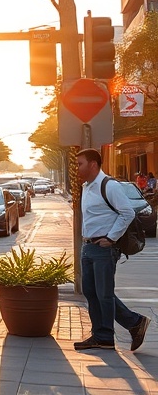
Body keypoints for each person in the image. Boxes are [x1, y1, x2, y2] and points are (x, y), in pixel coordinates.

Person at [74, 148, 150, 351]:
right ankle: (113, 330)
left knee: (104, 294)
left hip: (104, 248)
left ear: (93, 164)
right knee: (91, 292)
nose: (77, 167)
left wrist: (111, 237)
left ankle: (106, 336)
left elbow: (127, 213)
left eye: (80, 163)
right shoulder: (86, 187)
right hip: (88, 247)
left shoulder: (109, 186)